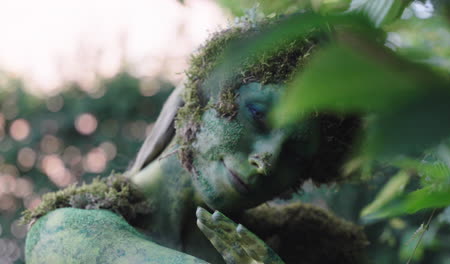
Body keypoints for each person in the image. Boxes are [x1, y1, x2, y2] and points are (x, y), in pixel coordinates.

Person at [23, 14, 367, 264]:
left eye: (295, 154)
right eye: (258, 116)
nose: (267, 161)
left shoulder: (312, 244)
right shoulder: (67, 231)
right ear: (204, 94)